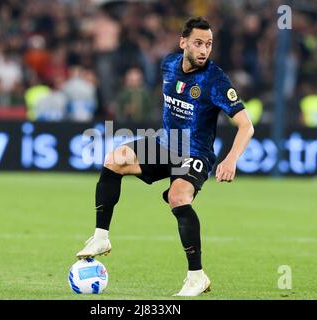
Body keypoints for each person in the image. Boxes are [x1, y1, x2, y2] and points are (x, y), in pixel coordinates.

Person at [76, 17, 254, 296]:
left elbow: (246, 125)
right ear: (183, 42)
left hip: (195, 151)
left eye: (208, 44)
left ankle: (197, 276)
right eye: (198, 43)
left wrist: (230, 159)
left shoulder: (216, 80)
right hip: (167, 143)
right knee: (115, 158)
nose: (204, 50)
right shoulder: (169, 64)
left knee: (178, 197)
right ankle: (101, 237)